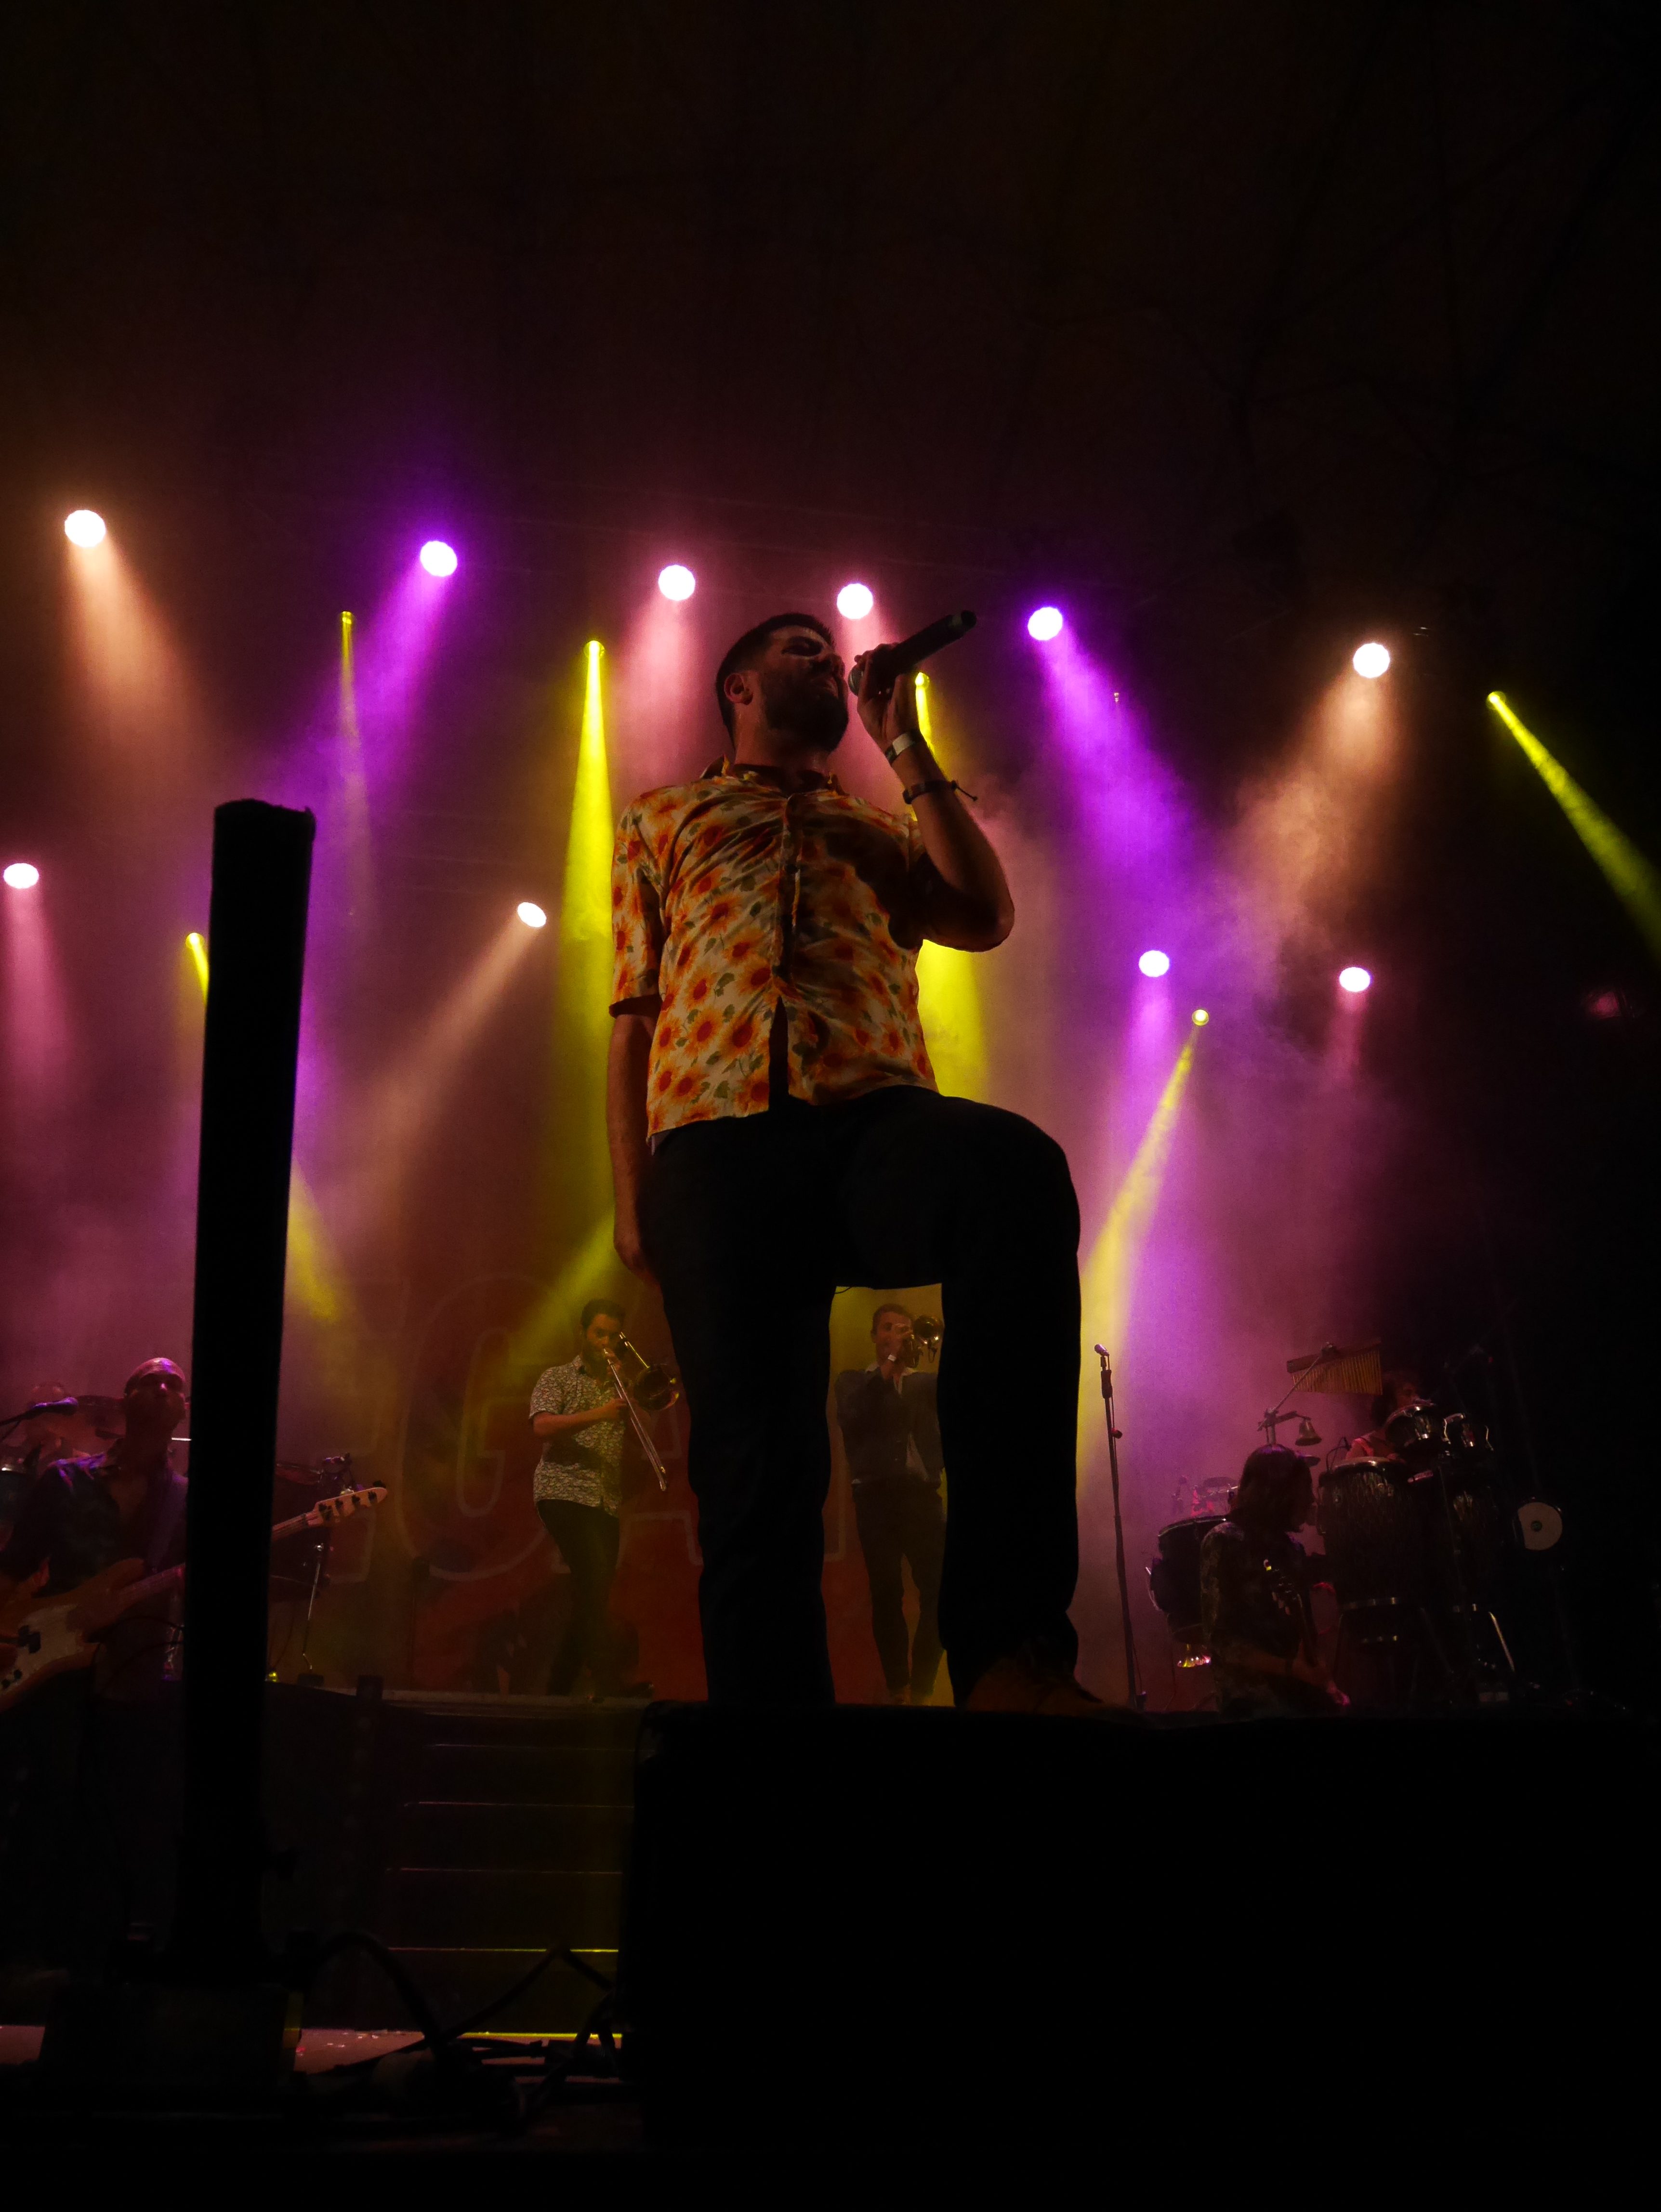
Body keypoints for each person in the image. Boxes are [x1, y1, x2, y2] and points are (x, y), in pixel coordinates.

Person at [607, 611, 1090, 1712]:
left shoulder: (879, 825)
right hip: (715, 1139)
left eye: (830, 649)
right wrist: (633, 1196)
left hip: (871, 1120)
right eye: (799, 647)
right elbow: (631, 1017)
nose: (828, 658)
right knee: (755, 1464)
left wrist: (903, 744)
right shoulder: (661, 817)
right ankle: (772, 1738)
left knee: (1013, 1172)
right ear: (736, 687)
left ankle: (1009, 1652)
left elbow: (984, 914)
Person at [0, 1357, 189, 1698]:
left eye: (173, 1385)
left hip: (134, 1678)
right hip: (46, 1670)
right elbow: (11, 1568)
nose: (162, 1389)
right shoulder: (64, 1478)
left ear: (184, 1409)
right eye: (149, 1382)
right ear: (123, 1402)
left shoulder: (185, 1499)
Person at [528, 1300, 651, 1700]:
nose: (605, 1343)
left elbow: (647, 1434)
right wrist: (600, 1414)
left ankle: (558, 1690)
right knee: (594, 1583)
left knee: (592, 1595)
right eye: (599, 1334)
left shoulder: (620, 1384)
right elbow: (542, 1426)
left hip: (604, 1500)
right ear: (582, 1334)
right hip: (562, 1491)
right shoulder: (558, 1377)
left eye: (613, 1336)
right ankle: (609, 1684)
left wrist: (630, 1394)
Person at [835, 1304, 946, 1703]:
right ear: (874, 1337)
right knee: (886, 1594)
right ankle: (898, 1688)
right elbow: (854, 1414)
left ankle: (923, 1689)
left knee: (941, 1593)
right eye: (888, 1328)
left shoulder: (927, 1384)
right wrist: (893, 1362)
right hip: (875, 1498)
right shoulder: (853, 1382)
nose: (897, 1335)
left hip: (920, 1497)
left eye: (904, 1329)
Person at [1200, 1445, 1342, 1716]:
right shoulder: (1224, 1541)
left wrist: (1328, 1684)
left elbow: (1306, 1634)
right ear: (1277, 1493)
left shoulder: (1292, 1550)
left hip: (1298, 1693)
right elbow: (1221, 1642)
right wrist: (1291, 1669)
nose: (1311, 1499)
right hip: (1250, 1700)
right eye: (1304, 1489)